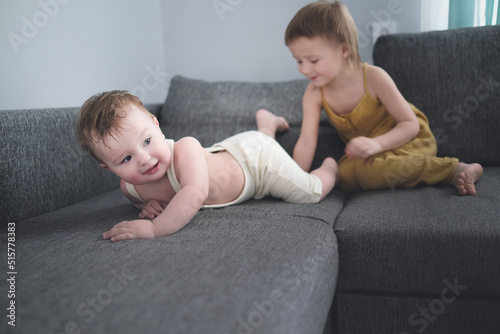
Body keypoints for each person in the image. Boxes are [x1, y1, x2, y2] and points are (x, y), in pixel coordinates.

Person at [77, 91, 338, 242]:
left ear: (156, 125)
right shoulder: (129, 188)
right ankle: (266, 126)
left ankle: (330, 167)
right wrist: (144, 207)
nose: (144, 159)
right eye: (125, 159)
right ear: (108, 168)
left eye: (146, 141)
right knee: (247, 148)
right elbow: (137, 201)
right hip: (232, 154)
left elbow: (194, 192)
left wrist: (154, 228)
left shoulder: (186, 149)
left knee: (310, 192)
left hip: (257, 163)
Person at [281, 0, 483, 195]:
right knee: (345, 176)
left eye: (313, 60)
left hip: (406, 141)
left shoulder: (374, 77)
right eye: (298, 60)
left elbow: (410, 125)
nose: (304, 69)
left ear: (343, 49)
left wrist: (376, 144)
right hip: (368, 153)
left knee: (366, 173)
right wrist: (295, 180)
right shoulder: (314, 93)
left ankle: (454, 169)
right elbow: (307, 142)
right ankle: (383, 169)